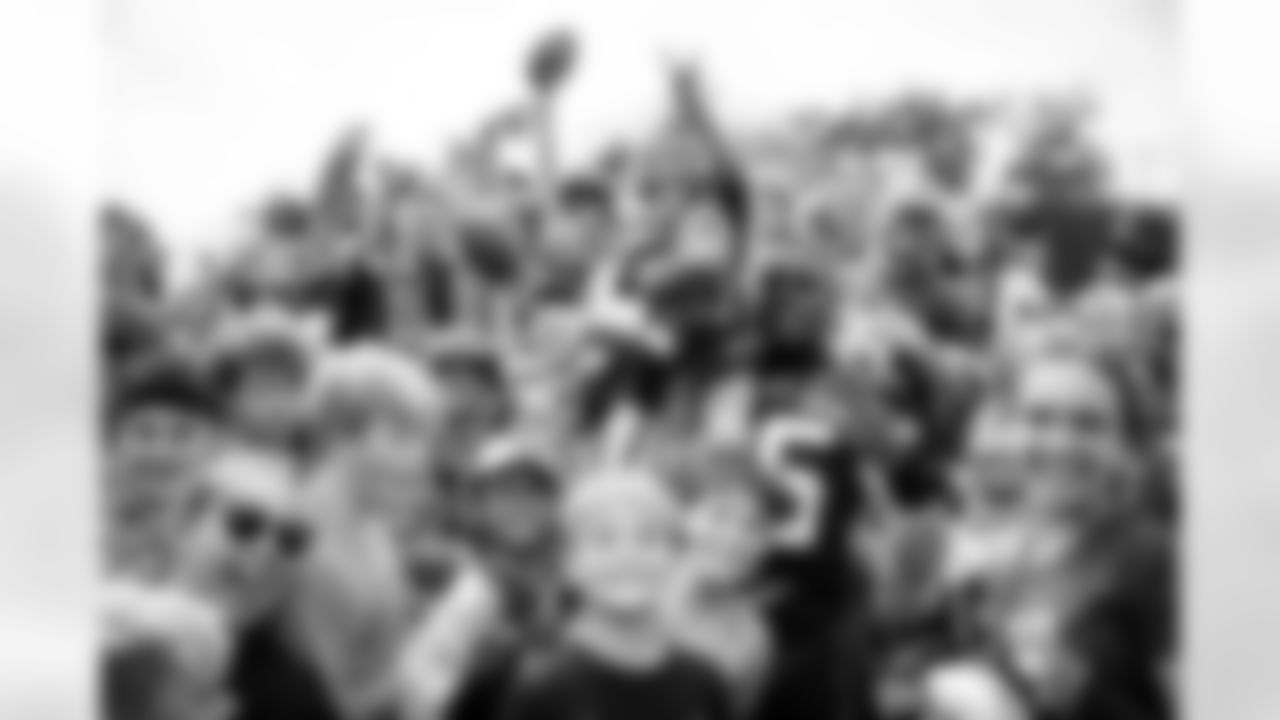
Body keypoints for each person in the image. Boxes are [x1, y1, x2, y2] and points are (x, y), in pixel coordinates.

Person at [497, 466, 732, 720]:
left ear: (675, 556)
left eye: (648, 538)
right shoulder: (540, 684)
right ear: (569, 562)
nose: (627, 557)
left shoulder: (704, 682)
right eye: (603, 540)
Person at [168, 443, 339, 720]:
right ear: (185, 523)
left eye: (291, 539)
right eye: (246, 524)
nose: (266, 550)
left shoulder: (297, 698)